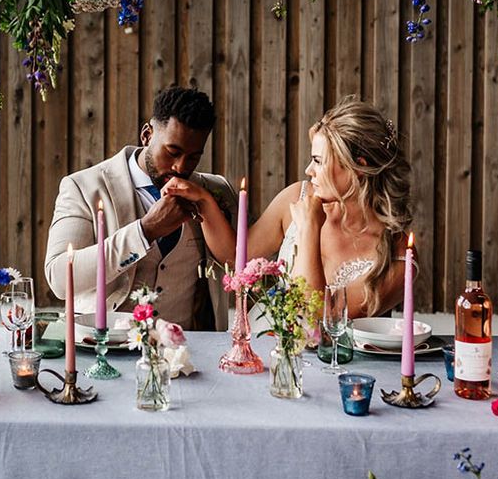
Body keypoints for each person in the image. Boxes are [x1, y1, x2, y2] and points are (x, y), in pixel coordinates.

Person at [164, 97, 412, 319]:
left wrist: (309, 230)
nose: (308, 170)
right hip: (265, 344)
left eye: (318, 161)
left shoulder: (398, 255)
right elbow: (238, 257)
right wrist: (204, 202)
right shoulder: (298, 195)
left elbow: (316, 324)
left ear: (358, 166)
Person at [44, 86, 237, 331]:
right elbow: (60, 279)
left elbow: (244, 262)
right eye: (172, 152)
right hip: (105, 348)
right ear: (147, 135)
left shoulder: (215, 191)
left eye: (193, 157)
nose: (180, 166)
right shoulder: (83, 187)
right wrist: (145, 231)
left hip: (189, 353)